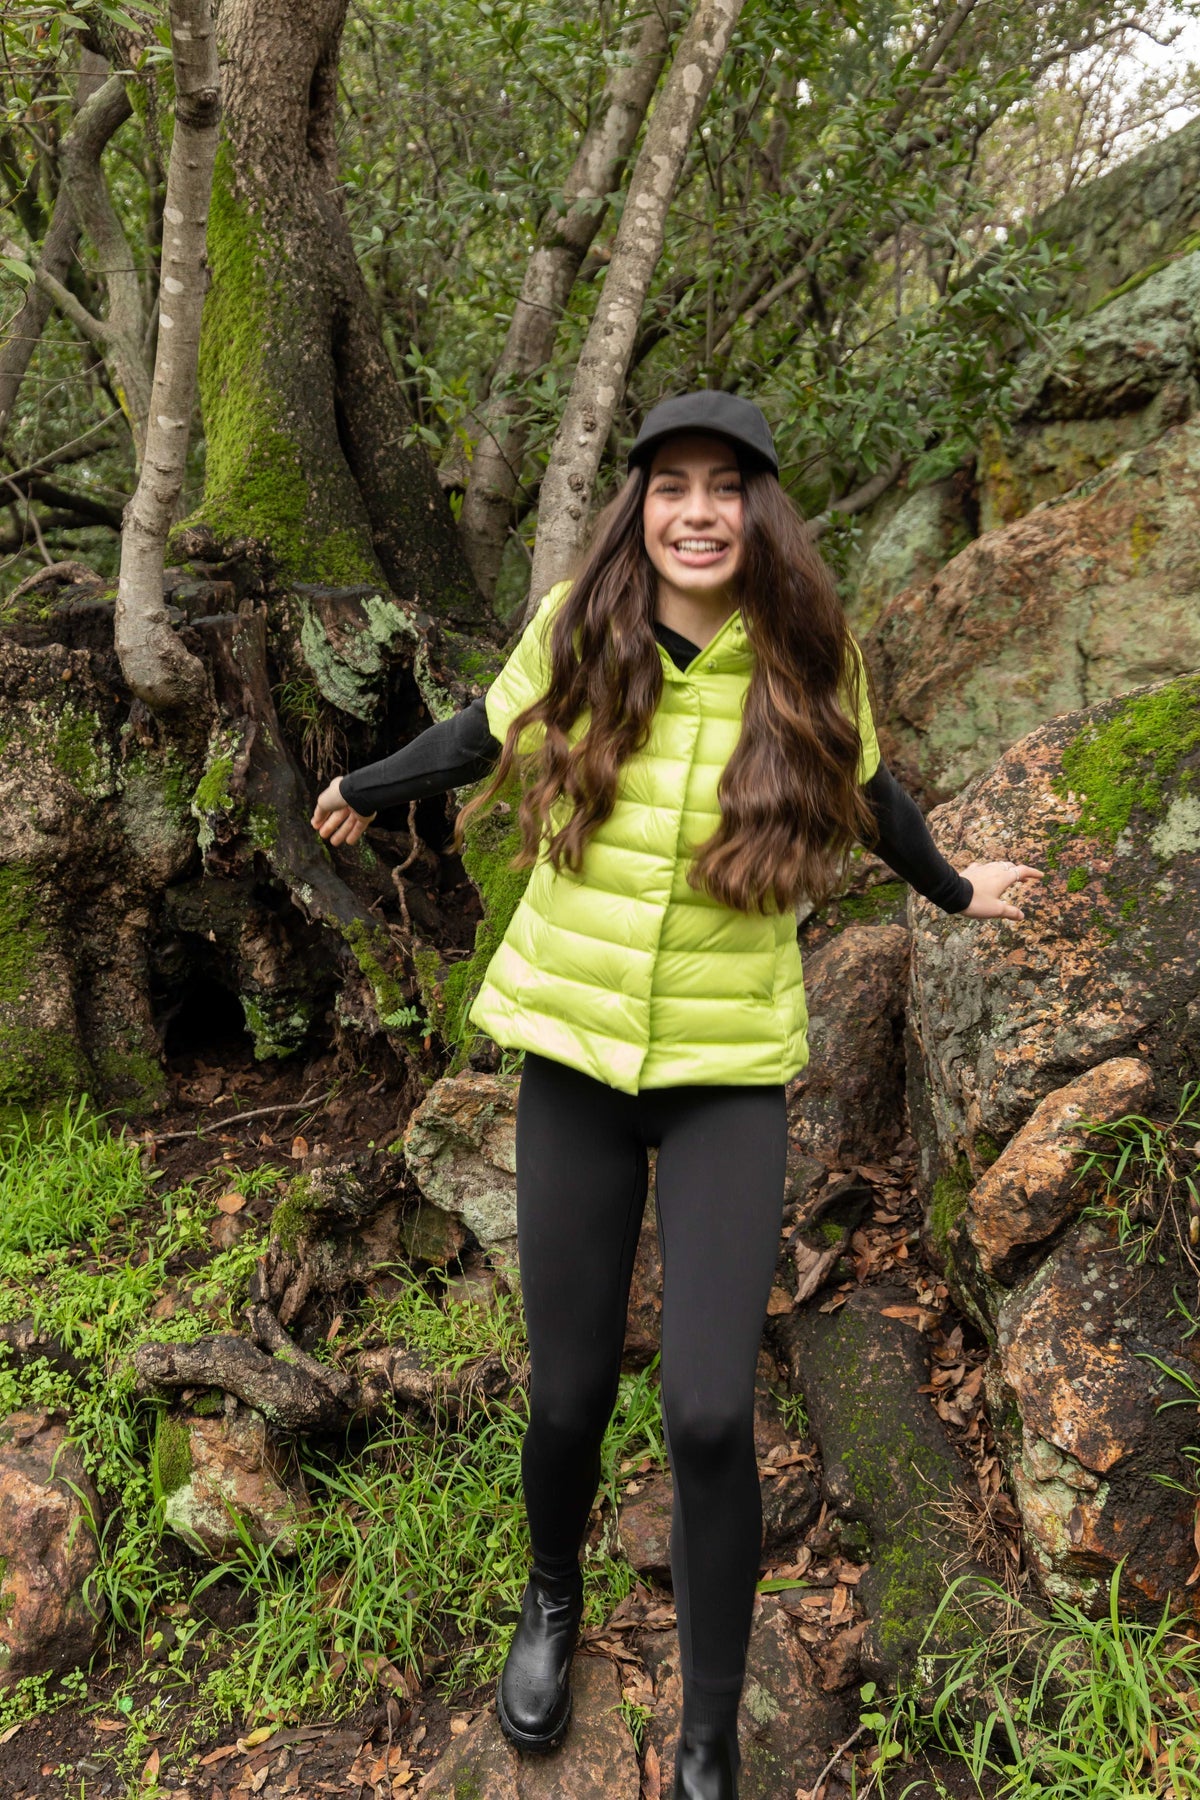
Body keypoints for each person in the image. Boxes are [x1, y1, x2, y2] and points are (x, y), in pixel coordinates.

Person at [311, 391, 1042, 1800]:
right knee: (570, 1396)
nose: (696, 512)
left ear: (759, 511)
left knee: (708, 1412)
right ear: (638, 505)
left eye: (724, 488)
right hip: (574, 1059)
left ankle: (709, 1733)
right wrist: (366, 781)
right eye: (671, 486)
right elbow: (477, 733)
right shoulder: (581, 624)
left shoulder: (808, 652)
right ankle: (551, 1601)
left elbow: (873, 796)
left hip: (725, 1075)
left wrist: (957, 888)